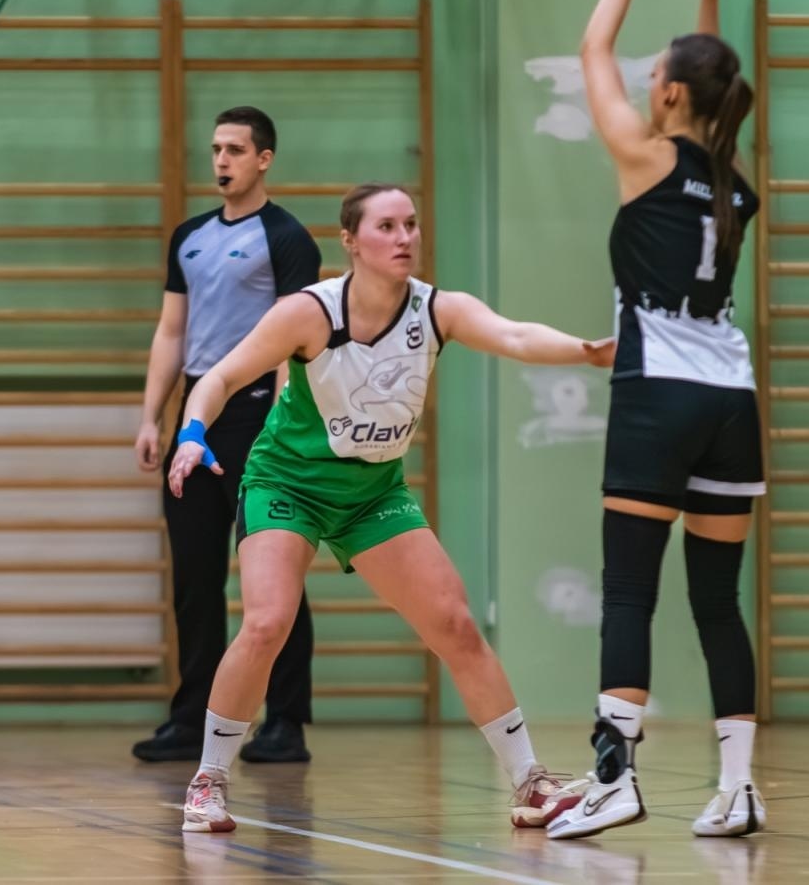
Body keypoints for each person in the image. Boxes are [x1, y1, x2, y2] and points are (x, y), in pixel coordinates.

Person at [167, 182, 611, 833]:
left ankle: (530, 780)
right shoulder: (308, 313)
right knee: (266, 622)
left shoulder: (438, 310)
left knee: (455, 623)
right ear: (350, 241)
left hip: (373, 493)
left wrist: (585, 350)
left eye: (410, 224)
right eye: (386, 226)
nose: (404, 237)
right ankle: (208, 780)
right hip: (288, 483)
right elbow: (222, 376)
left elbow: (514, 335)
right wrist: (192, 432)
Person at [546, 0, 766, 841]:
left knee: (630, 588)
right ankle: (741, 786)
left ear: (670, 93)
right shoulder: (731, 177)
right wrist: (709, 1)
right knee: (717, 602)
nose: (641, 80)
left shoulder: (642, 156)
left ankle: (615, 775)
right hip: (731, 394)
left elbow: (594, 49)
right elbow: (712, 89)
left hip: (660, 390)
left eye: (659, 74)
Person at [131, 106, 316, 765]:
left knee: (274, 571)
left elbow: (302, 335)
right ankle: (194, 718)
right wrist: (155, 416)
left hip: (262, 411)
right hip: (198, 414)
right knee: (195, 573)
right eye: (215, 148)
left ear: (264, 158)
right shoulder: (189, 237)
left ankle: (285, 721)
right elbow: (171, 333)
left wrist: (285, 420)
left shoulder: (287, 237)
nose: (222, 160)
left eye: (235, 149)